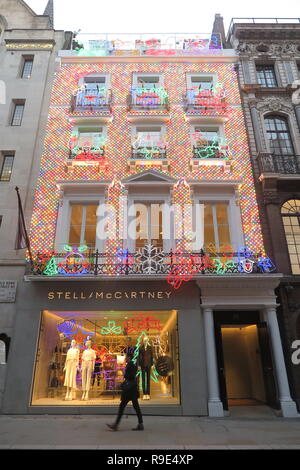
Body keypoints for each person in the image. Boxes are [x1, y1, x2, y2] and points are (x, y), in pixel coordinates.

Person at [106, 352, 144, 431]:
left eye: (126, 357)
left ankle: (116, 425)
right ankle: (140, 424)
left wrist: (123, 373)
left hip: (129, 390)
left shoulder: (131, 366)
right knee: (135, 407)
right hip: (132, 389)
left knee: (122, 406)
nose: (125, 358)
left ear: (129, 358)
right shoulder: (131, 365)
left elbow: (130, 376)